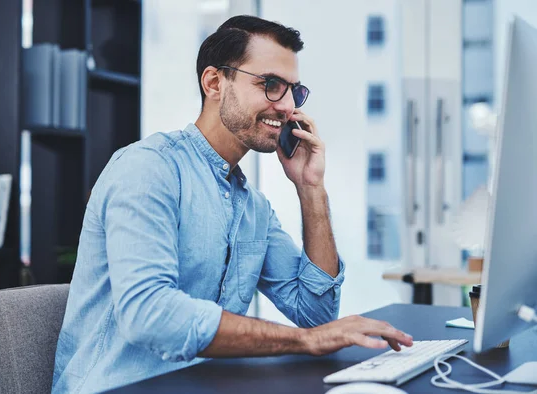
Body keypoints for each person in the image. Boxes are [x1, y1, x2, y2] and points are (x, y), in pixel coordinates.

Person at [52, 15, 413, 393]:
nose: (288, 106)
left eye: (294, 90)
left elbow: (315, 314)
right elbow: (150, 314)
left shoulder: (252, 207)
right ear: (214, 83)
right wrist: (304, 341)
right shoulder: (148, 169)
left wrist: (311, 188)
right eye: (271, 85)